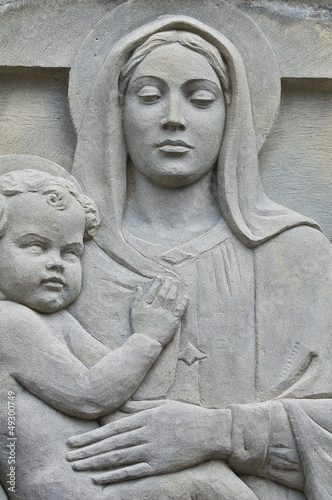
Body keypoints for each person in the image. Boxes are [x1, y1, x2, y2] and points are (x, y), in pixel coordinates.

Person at [63, 15, 332, 499]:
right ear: (114, 110)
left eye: (200, 98)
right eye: (147, 96)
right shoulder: (66, 257)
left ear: (233, 113)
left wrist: (217, 433)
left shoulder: (293, 254)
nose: (173, 117)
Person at [0, 168, 189, 499]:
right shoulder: (9, 322)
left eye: (70, 252)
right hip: (67, 490)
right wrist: (147, 338)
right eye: (35, 247)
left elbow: (123, 386)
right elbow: (90, 396)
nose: (57, 263)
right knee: (208, 482)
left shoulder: (56, 321)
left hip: (99, 482)